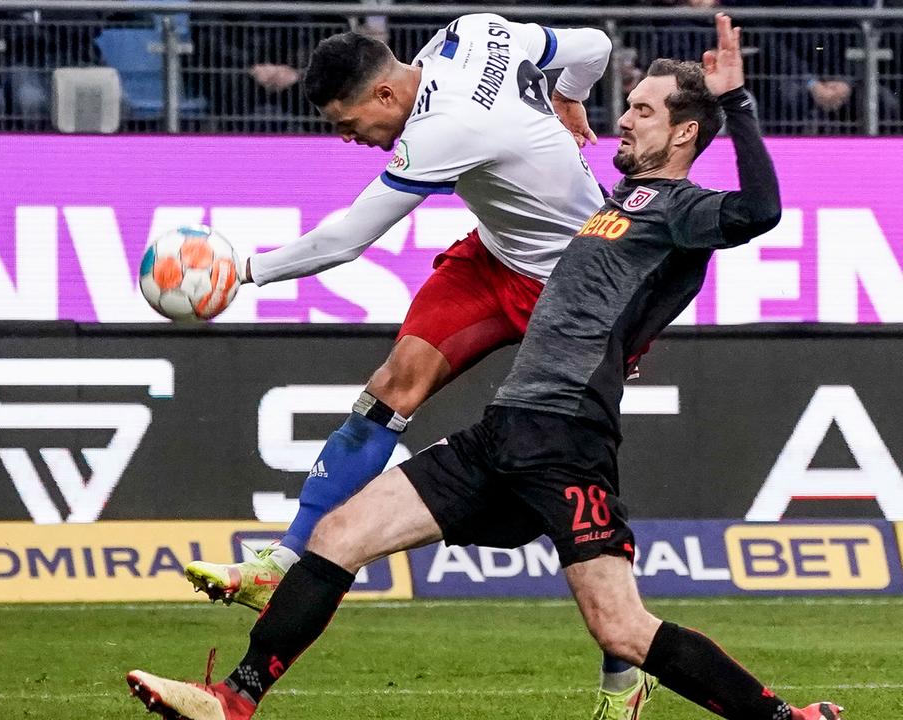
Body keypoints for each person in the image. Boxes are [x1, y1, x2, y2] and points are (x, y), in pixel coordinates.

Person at [129, 14, 845, 720]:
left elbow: (759, 210)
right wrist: (567, 96)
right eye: (626, 105)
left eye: (643, 111)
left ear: (684, 133)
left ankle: (774, 717)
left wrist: (737, 102)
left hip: (565, 438)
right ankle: (232, 699)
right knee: (339, 536)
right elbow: (591, 48)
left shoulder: (680, 210)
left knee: (622, 628)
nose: (622, 120)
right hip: (504, 426)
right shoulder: (606, 188)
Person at [181, 12, 656, 718]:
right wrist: (569, 96)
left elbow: (347, 239)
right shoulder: (473, 32)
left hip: (577, 294)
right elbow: (594, 46)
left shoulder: (443, 127)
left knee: (576, 475)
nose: (348, 139)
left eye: (348, 124)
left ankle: (625, 674)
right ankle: (283, 563)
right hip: (496, 257)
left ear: (383, 95)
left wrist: (242, 271)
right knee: (391, 387)